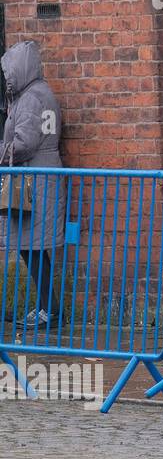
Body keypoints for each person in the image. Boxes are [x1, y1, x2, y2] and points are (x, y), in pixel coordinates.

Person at [2, 41, 66, 335]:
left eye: (10, 71)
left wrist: (2, 150)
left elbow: (24, 144)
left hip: (34, 182)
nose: (8, 78)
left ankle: (49, 309)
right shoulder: (43, 93)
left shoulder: (30, 98)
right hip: (42, 179)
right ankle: (48, 307)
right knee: (34, 247)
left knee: (33, 248)